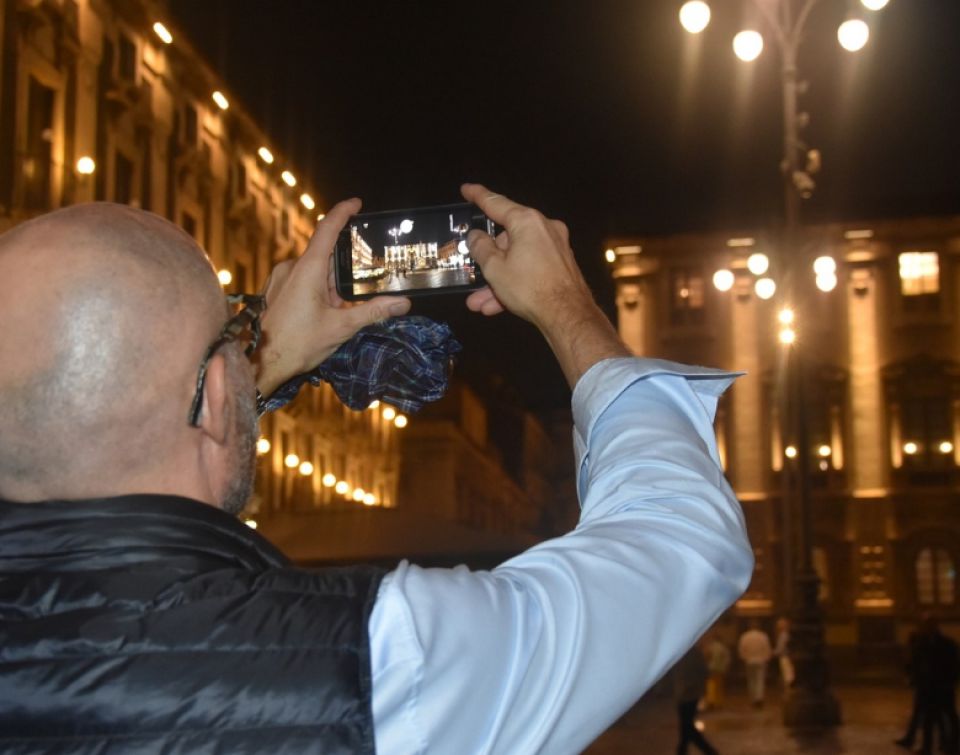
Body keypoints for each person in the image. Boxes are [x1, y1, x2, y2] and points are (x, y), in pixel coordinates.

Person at [0, 184, 753, 754]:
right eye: (236, 326)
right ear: (217, 391)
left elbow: (110, 438)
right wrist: (567, 309)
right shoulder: (375, 659)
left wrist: (246, 367)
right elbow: (680, 541)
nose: (246, 339)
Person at [895, 615, 960, 755]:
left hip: (943, 686)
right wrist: (913, 677)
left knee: (949, 715)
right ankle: (927, 747)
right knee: (929, 719)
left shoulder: (948, 644)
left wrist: (950, 682)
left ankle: (953, 745)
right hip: (926, 686)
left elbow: (954, 666)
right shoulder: (921, 643)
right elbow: (915, 663)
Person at [673, 641, 720, 755]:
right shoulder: (693, 654)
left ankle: (704, 750)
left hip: (687, 693)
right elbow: (705, 672)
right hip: (690, 693)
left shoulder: (681, 654)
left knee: (686, 725)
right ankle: (703, 750)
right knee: (686, 725)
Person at [738, 620, 773, 708]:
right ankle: (759, 698)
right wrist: (767, 658)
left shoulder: (745, 636)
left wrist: (744, 658)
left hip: (749, 660)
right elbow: (767, 648)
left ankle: (753, 698)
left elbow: (742, 649)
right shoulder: (763, 636)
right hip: (761, 660)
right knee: (760, 680)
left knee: (751, 681)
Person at [703, 633, 732, 710]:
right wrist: (725, 667)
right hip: (720, 669)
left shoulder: (710, 647)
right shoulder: (723, 648)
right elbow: (727, 658)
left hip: (710, 668)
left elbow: (706, 657)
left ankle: (711, 700)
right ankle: (719, 703)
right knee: (720, 686)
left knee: (711, 685)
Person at [774, 616, 795, 689]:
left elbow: (780, 648)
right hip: (788, 656)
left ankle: (789, 691)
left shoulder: (783, 635)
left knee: (787, 675)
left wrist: (773, 653)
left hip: (785, 657)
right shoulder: (787, 634)